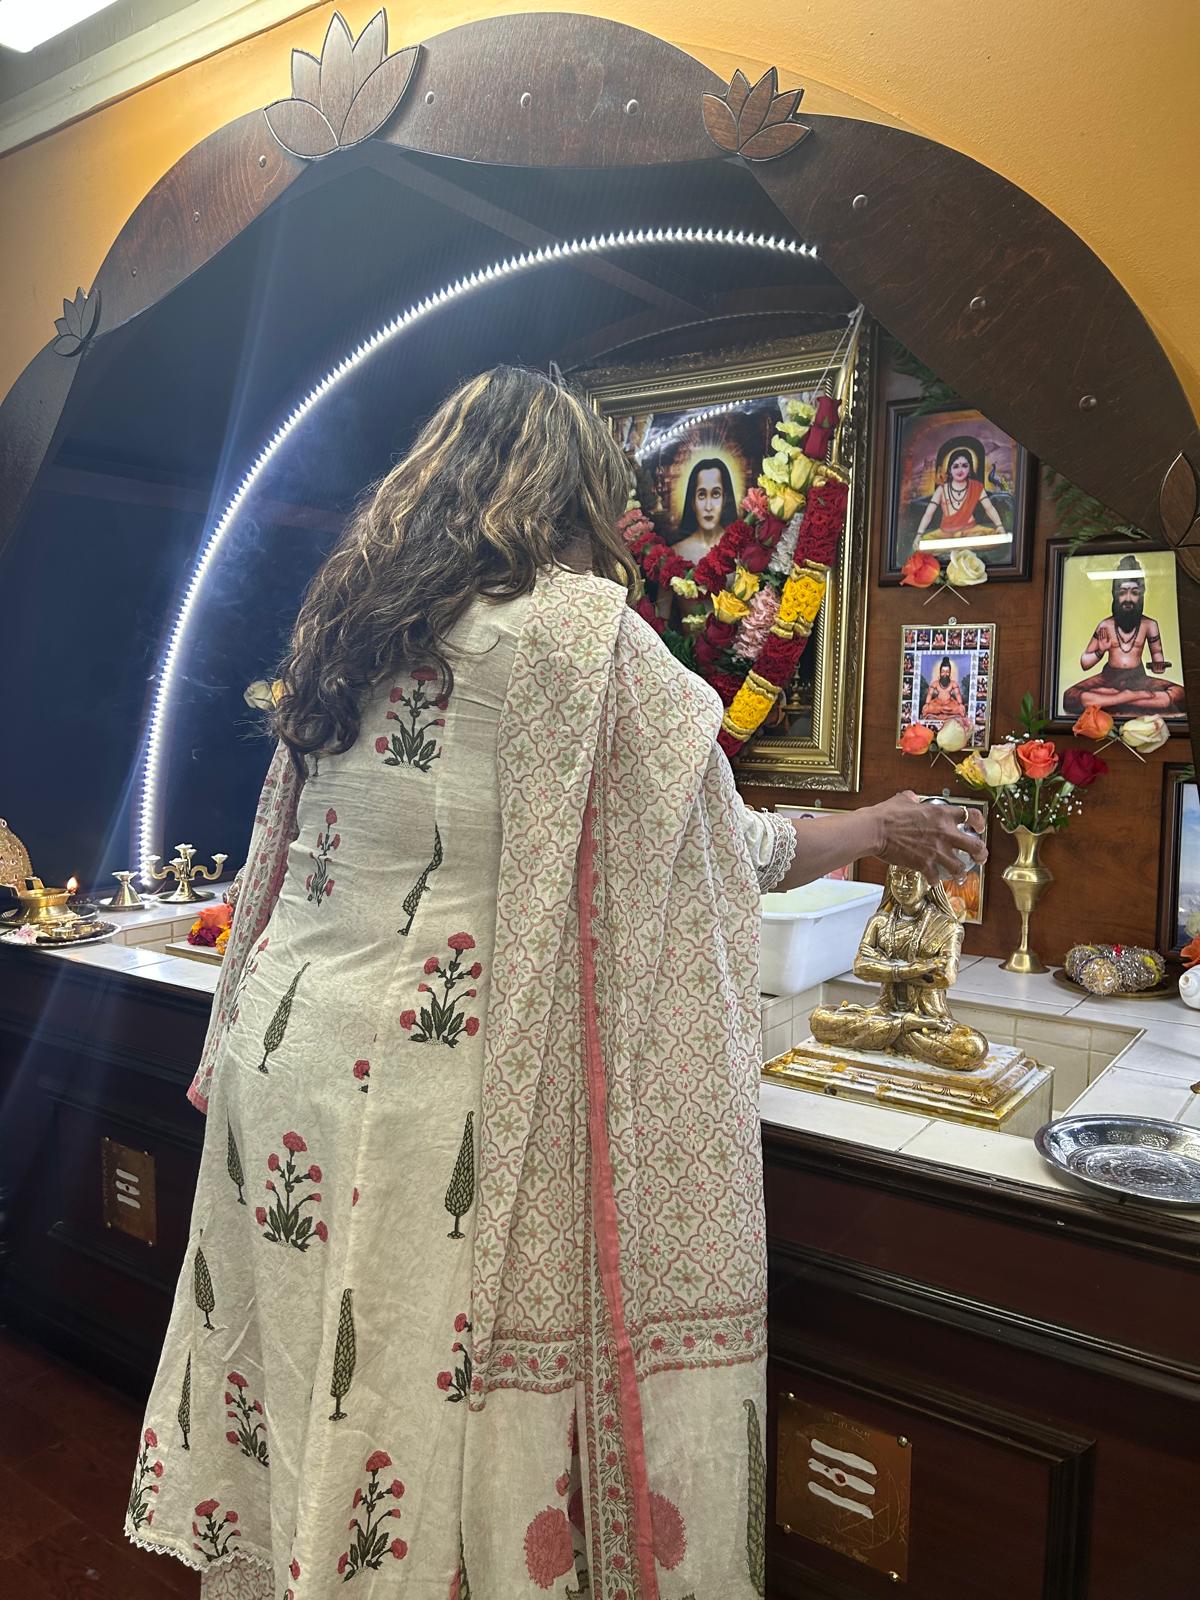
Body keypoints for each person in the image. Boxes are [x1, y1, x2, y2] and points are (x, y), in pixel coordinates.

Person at [124, 366, 984, 1600]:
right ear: (577, 491)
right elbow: (731, 847)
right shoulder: (581, 635)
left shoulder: (351, 620)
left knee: (313, 1358)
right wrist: (878, 827)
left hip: (285, 1055)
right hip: (424, 1097)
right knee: (401, 1405)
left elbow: (281, 845)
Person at [1062, 553, 1186, 717]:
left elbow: (1157, 653)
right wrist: (1100, 651)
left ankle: (1114, 699)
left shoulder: (1150, 625)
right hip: (1108, 678)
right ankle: (1131, 698)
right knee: (1070, 697)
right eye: (1122, 592)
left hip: (1139, 678)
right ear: (1115, 594)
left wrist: (1158, 664)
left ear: (1141, 594)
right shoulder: (1105, 626)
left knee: (1181, 695)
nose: (1128, 598)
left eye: (1134, 592)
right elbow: (1085, 662)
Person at [913, 437, 1006, 548]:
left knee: (995, 538)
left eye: (964, 466)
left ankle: (960, 547)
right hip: (946, 534)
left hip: (971, 532)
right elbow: (929, 513)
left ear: (970, 468)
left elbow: (989, 508)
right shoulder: (942, 489)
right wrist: (919, 535)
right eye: (956, 466)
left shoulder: (976, 487)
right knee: (923, 544)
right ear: (950, 470)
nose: (960, 470)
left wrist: (999, 526)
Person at [670, 455, 736, 561]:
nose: (708, 507)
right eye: (701, 495)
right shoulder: (677, 552)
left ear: (724, 499)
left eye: (716, 494)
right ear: (693, 502)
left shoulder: (738, 547)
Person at [920, 655, 969, 730]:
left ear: (950, 673)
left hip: (949, 704)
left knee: (959, 709)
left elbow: (958, 694)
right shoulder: (935, 683)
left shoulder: (953, 683)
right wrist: (927, 704)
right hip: (937, 704)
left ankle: (944, 712)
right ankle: (941, 711)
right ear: (940, 672)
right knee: (927, 708)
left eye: (947, 672)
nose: (945, 674)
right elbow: (929, 694)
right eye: (943, 672)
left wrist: (960, 704)